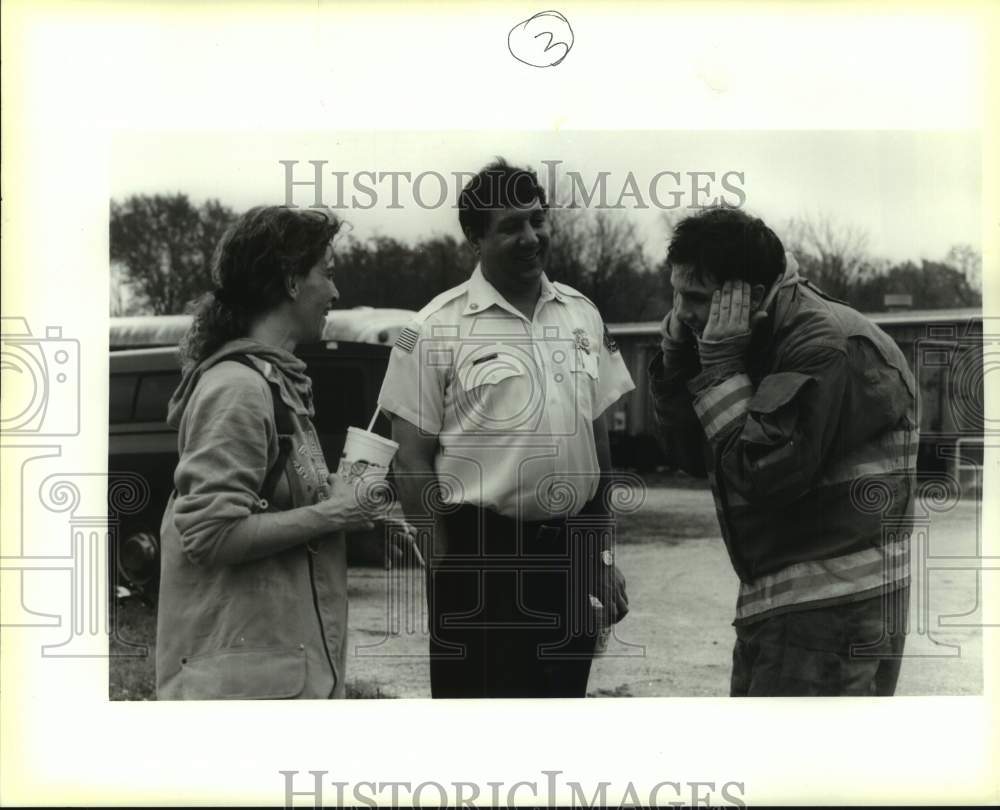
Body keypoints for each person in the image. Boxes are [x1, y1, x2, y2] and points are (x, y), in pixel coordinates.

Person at [377, 159, 635, 698]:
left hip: (570, 551)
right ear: (474, 238)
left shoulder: (583, 316)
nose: (531, 236)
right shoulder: (429, 329)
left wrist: (600, 554)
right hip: (479, 558)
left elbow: (599, 446)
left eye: (538, 219)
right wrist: (448, 573)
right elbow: (411, 462)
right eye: (510, 225)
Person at [649, 207, 917, 696]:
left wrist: (719, 370)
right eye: (676, 292)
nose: (680, 312)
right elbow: (691, 456)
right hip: (790, 612)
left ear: (745, 296)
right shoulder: (751, 334)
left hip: (831, 614)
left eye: (695, 297)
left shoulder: (819, 344)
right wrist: (677, 362)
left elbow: (762, 475)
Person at [156, 206, 398, 700]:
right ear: (290, 281)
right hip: (242, 694)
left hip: (271, 678)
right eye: (326, 275)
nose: (336, 293)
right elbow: (211, 536)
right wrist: (331, 514)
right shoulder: (238, 389)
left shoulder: (276, 385)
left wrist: (353, 520)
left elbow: (285, 514)